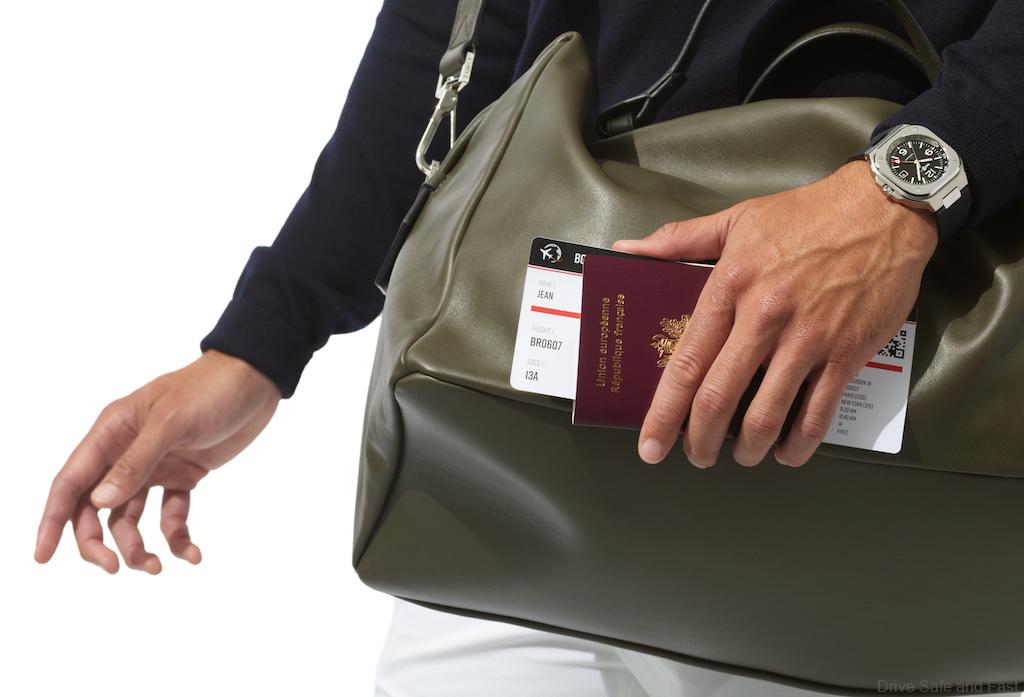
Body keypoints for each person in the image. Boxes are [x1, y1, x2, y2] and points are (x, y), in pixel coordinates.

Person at [34, 0, 1024, 695]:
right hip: (530, 459)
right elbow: (460, 25)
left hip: (881, 437)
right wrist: (262, 340)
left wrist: (906, 190)